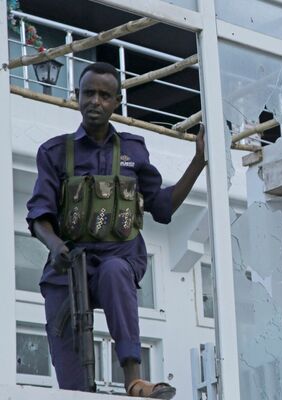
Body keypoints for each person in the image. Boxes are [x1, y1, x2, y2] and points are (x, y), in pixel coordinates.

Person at [26, 61, 206, 399]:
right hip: (69, 264)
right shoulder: (54, 152)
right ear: (77, 95)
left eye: (104, 95)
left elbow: (162, 206)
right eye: (89, 93)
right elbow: (39, 214)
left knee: (114, 271)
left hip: (118, 257)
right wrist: (55, 245)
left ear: (116, 103)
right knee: (72, 380)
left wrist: (199, 161)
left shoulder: (133, 150)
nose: (96, 101)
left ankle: (134, 380)